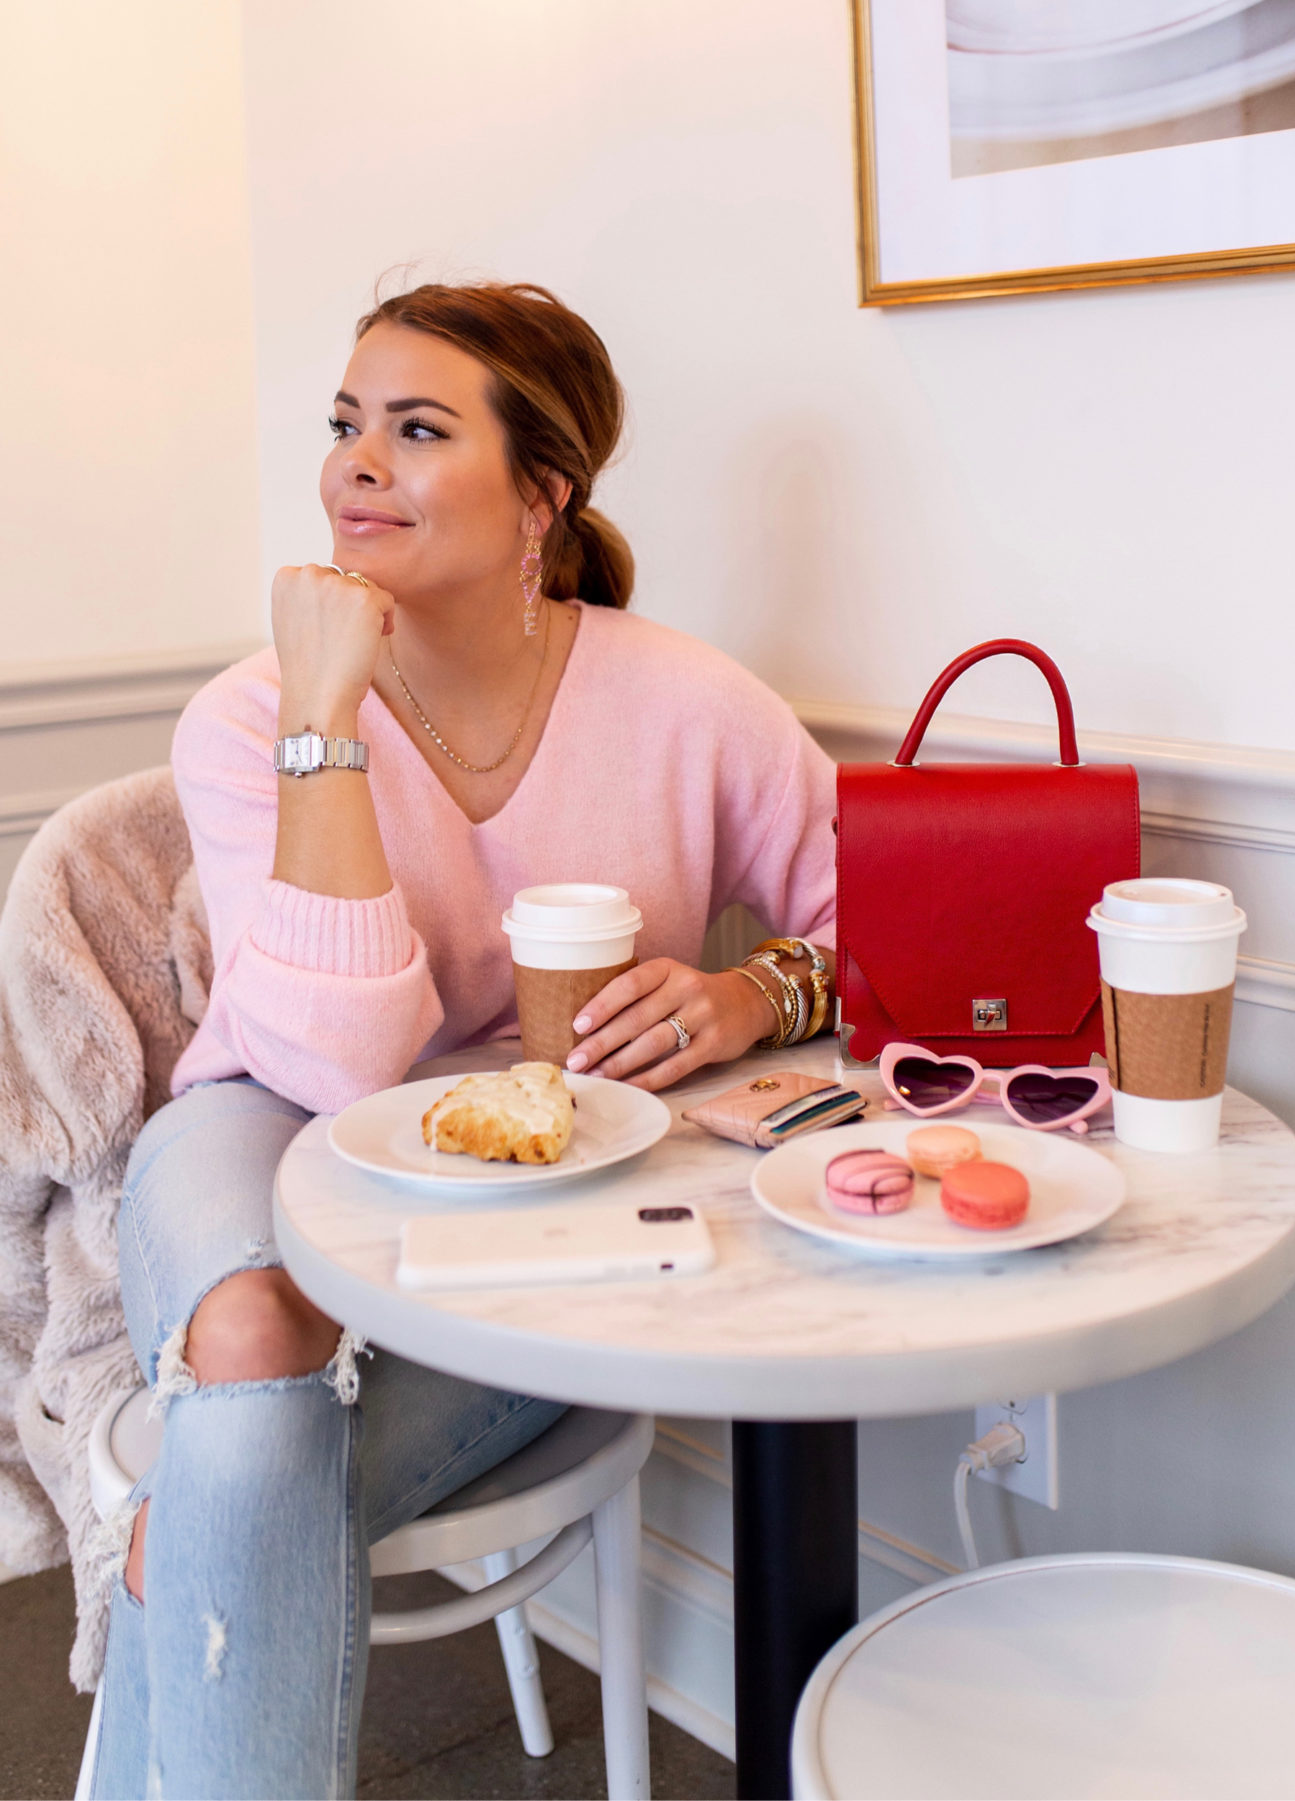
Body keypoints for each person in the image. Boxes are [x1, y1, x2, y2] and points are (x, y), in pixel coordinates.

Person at [91, 281, 837, 1798]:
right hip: (256, 1129)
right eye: (346, 425)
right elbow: (334, 1066)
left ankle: (175, 1616)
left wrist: (755, 992)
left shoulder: (688, 702)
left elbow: (888, 921)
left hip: (558, 1190)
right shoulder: (253, 717)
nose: (357, 464)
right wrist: (325, 711)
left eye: (417, 430)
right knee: (249, 1328)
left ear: (541, 496)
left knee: (232, 1472)